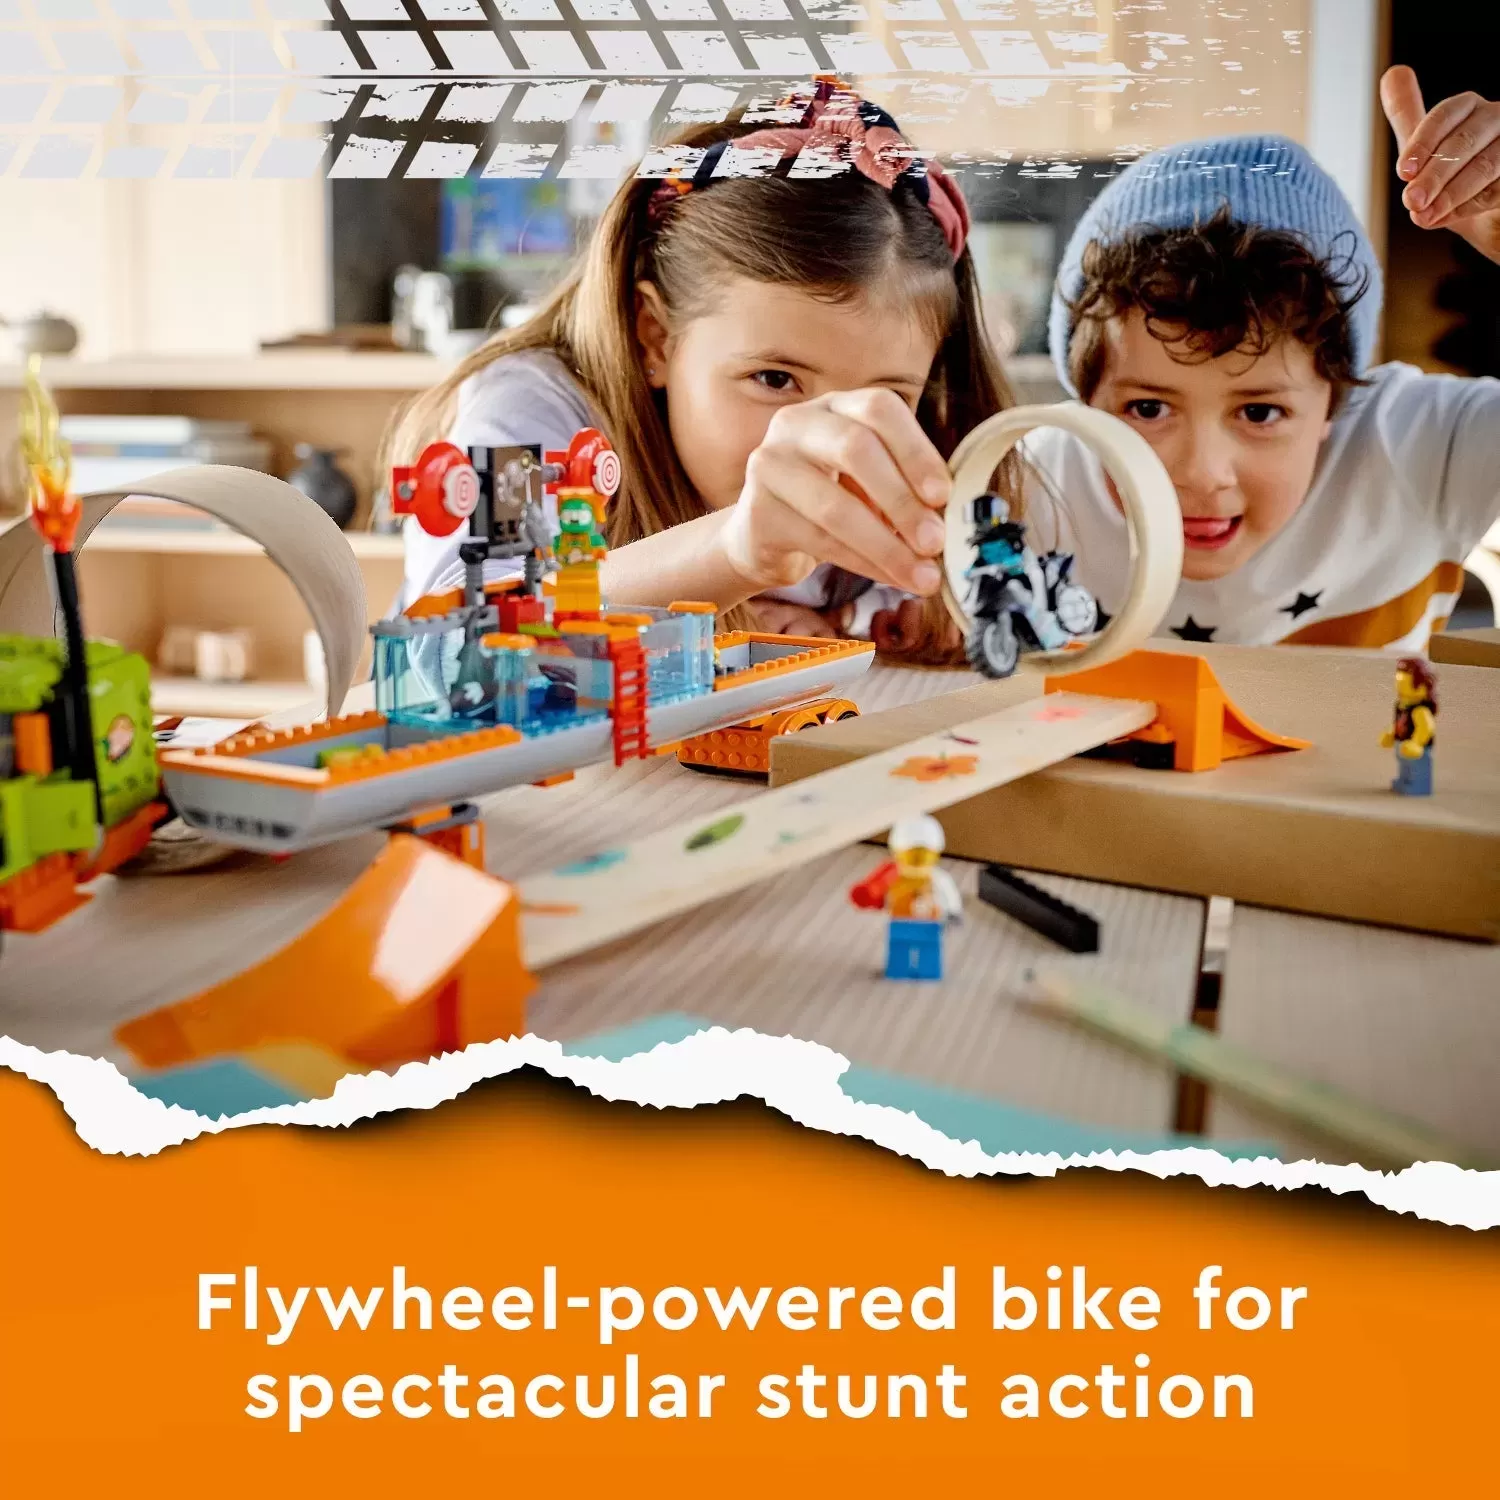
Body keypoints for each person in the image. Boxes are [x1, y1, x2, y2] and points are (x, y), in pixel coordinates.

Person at [387, 77, 1012, 662]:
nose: (827, 446)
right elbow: (454, 645)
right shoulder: (525, 409)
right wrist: (731, 555)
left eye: (887, 398)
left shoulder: (931, 444)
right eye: (774, 379)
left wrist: (862, 616)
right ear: (656, 338)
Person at [1032, 65, 1500, 653]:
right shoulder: (1025, 485)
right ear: (1085, 403)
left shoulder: (1424, 445)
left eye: (1259, 413)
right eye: (1147, 408)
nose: (1203, 474)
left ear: (1333, 401)